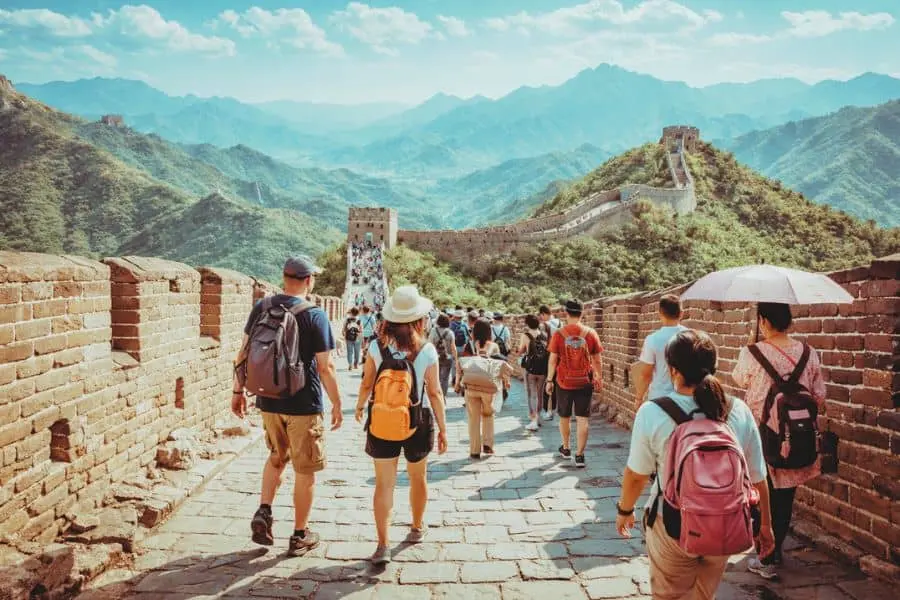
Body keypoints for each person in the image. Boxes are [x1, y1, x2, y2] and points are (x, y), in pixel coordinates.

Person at [615, 329, 774, 599]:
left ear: (673, 370)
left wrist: (625, 510)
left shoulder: (653, 412)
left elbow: (636, 475)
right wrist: (765, 526)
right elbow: (758, 476)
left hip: (672, 524)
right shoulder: (738, 410)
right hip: (725, 524)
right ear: (714, 367)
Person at [232, 256, 343, 557]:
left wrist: (237, 391)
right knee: (305, 470)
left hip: (267, 399)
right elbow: (325, 367)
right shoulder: (315, 315)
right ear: (309, 281)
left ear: (284, 278)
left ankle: (264, 511)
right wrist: (337, 402)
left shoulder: (262, 307)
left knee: (276, 457)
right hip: (303, 405)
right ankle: (299, 534)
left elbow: (243, 352)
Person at [354, 286, 449, 565]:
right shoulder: (427, 350)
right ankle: (417, 527)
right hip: (417, 420)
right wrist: (443, 428)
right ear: (419, 319)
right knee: (418, 478)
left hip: (382, 419)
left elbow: (367, 383)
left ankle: (382, 545)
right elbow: (435, 393)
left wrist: (360, 406)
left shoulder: (376, 346)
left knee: (384, 485)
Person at [732, 302, 826, 580]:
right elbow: (819, 397)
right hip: (795, 435)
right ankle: (772, 552)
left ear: (763, 320)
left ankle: (766, 554)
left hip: (761, 433)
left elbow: (739, 380)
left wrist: (752, 346)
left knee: (760, 493)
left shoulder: (752, 352)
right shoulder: (809, 353)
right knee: (784, 496)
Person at [545, 299, 603, 468]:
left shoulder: (559, 333)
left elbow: (553, 360)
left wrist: (549, 380)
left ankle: (566, 447)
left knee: (564, 416)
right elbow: (597, 360)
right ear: (582, 313)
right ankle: (580, 455)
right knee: (582, 419)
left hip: (564, 381)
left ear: (566, 312)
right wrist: (598, 377)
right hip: (585, 381)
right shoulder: (590, 333)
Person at [456, 318, 513, 459]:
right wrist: (506, 381)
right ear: (489, 331)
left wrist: (457, 383)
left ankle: (474, 450)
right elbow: (498, 366)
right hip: (488, 387)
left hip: (471, 387)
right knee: (488, 415)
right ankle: (487, 445)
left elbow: (461, 366)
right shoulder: (494, 346)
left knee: (473, 419)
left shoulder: (469, 345)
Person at [632, 294, 687, 407]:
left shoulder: (652, 340)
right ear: (681, 313)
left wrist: (639, 398)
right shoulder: (691, 336)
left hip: (659, 399)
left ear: (660, 314)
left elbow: (646, 375)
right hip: (685, 399)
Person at [517, 314, 549, 431]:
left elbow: (521, 351)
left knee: (531, 393)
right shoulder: (544, 335)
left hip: (530, 369)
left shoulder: (525, 336)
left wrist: (519, 351)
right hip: (542, 369)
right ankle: (538, 416)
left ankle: (533, 418)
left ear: (527, 324)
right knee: (540, 393)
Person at [538, 305, 562, 421]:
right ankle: (557, 409)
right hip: (561, 356)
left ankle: (548, 411)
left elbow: (542, 342)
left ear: (543, 314)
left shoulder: (544, 326)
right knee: (558, 384)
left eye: (541, 316)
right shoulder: (561, 323)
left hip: (550, 356)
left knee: (548, 382)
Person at [429, 313, 458, 397]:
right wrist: (456, 359)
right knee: (444, 379)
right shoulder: (450, 332)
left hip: (435, 358)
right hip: (447, 358)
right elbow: (453, 347)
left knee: (436, 378)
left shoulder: (433, 331)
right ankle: (443, 397)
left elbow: (430, 344)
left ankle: (436, 395)